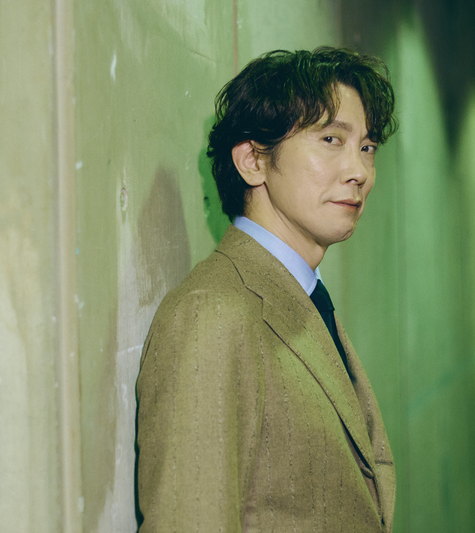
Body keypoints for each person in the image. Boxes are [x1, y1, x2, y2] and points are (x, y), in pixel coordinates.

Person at [136, 47, 398, 532]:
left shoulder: (301, 296)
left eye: (366, 147)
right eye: (331, 139)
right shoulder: (212, 315)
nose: (359, 171)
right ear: (253, 161)